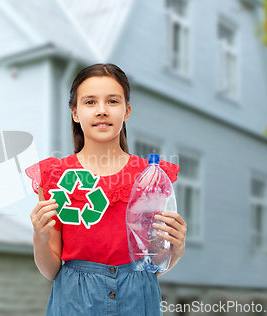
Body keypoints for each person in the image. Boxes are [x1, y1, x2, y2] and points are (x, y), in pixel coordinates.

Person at [25, 63, 187, 316]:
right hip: (74, 300)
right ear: (75, 112)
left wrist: (175, 250)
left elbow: (154, 264)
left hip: (138, 297)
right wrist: (39, 238)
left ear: (127, 111)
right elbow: (51, 271)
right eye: (90, 102)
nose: (102, 111)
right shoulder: (54, 177)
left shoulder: (151, 177)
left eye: (112, 101)